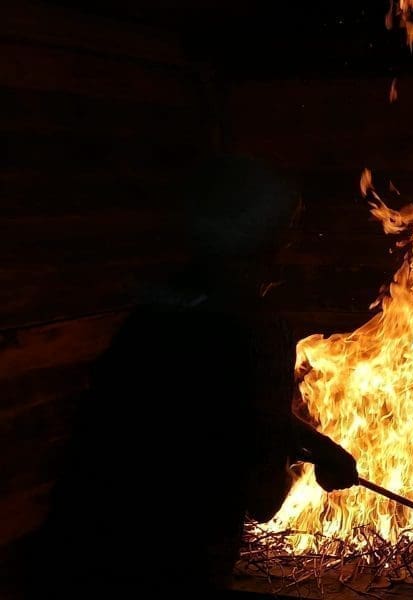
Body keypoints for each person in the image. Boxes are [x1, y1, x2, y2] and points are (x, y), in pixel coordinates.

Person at [36, 156, 358, 596]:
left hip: (82, 535)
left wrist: (317, 445)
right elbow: (263, 501)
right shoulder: (255, 328)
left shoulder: (157, 313)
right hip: (168, 558)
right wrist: (299, 466)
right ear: (268, 238)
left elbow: (221, 404)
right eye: (288, 226)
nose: (291, 240)